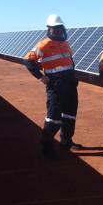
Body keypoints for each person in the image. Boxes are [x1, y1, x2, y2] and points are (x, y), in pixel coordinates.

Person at [24, 14, 82, 154]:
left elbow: (69, 61)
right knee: (54, 116)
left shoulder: (65, 43)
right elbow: (27, 61)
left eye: (59, 28)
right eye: (54, 29)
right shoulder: (44, 44)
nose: (57, 31)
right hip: (56, 85)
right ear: (49, 29)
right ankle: (47, 146)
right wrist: (40, 77)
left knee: (69, 114)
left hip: (69, 84)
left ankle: (66, 141)